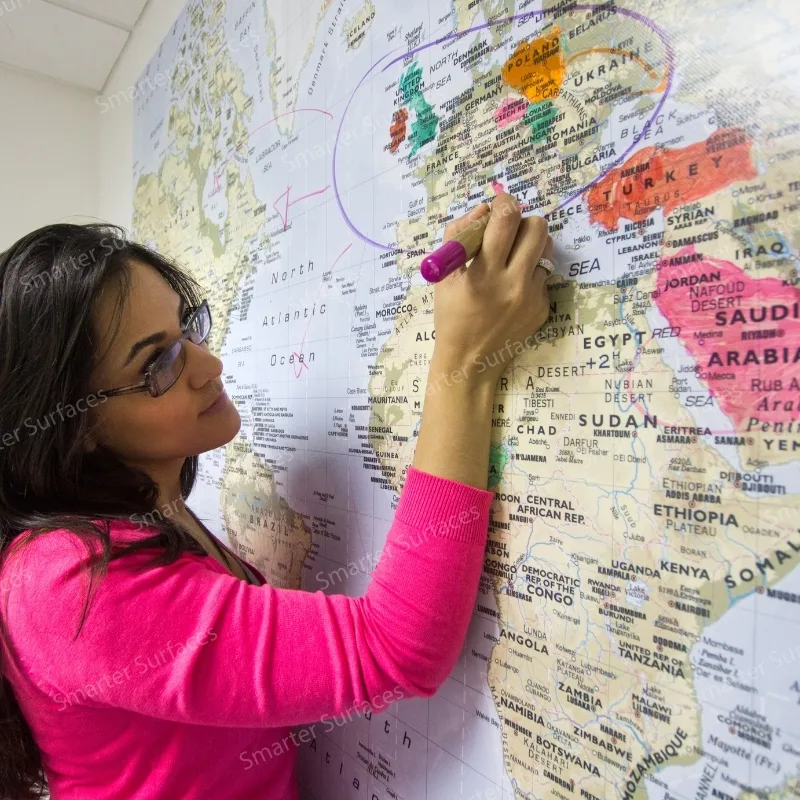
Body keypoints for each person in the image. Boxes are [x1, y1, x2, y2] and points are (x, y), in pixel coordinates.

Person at [0, 193, 553, 799]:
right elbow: (397, 649)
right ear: (71, 427)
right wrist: (468, 361)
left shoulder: (149, 517)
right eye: (158, 364)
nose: (209, 365)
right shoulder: (70, 582)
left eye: (188, 327)